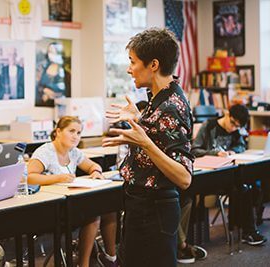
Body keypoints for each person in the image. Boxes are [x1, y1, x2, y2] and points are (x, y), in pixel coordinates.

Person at [103, 28, 194, 266]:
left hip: (154, 212)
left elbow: (184, 178)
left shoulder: (171, 107)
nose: (128, 68)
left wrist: (144, 141)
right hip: (141, 206)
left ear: (153, 64)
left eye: (133, 62)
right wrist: (141, 119)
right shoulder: (159, 97)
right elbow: (160, 138)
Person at [28, 116, 119, 266]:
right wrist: (58, 178)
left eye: (78, 132)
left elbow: (93, 166)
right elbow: (30, 178)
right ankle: (83, 264)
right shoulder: (45, 152)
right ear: (58, 131)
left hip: (72, 203)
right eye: (71, 131)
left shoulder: (74, 152)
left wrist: (96, 171)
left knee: (109, 208)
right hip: (50, 209)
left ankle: (111, 258)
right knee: (93, 216)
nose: (75, 136)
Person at [191, 104, 267, 246]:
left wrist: (233, 151)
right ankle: (248, 231)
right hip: (210, 175)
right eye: (232, 123)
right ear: (227, 114)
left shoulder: (235, 131)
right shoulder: (209, 126)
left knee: (247, 186)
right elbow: (195, 150)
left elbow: (241, 146)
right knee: (242, 187)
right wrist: (215, 153)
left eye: (237, 127)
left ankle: (247, 231)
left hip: (227, 174)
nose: (233, 128)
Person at [36, 42, 68, 106]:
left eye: (52, 52)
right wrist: (44, 91)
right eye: (49, 52)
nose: (50, 54)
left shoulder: (64, 72)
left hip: (59, 105)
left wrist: (52, 94)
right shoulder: (44, 68)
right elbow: (39, 86)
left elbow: (65, 91)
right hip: (44, 104)